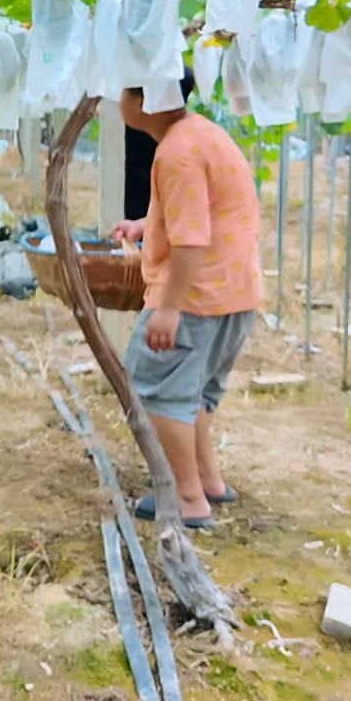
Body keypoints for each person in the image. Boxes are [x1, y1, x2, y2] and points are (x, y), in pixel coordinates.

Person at [109, 73, 261, 530]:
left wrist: (169, 308)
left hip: (195, 297)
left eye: (123, 92)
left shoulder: (175, 152)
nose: (119, 102)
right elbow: (199, 210)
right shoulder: (203, 134)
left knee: (154, 389)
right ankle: (208, 482)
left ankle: (187, 498)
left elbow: (192, 241)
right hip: (234, 293)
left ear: (144, 101)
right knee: (189, 394)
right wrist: (143, 225)